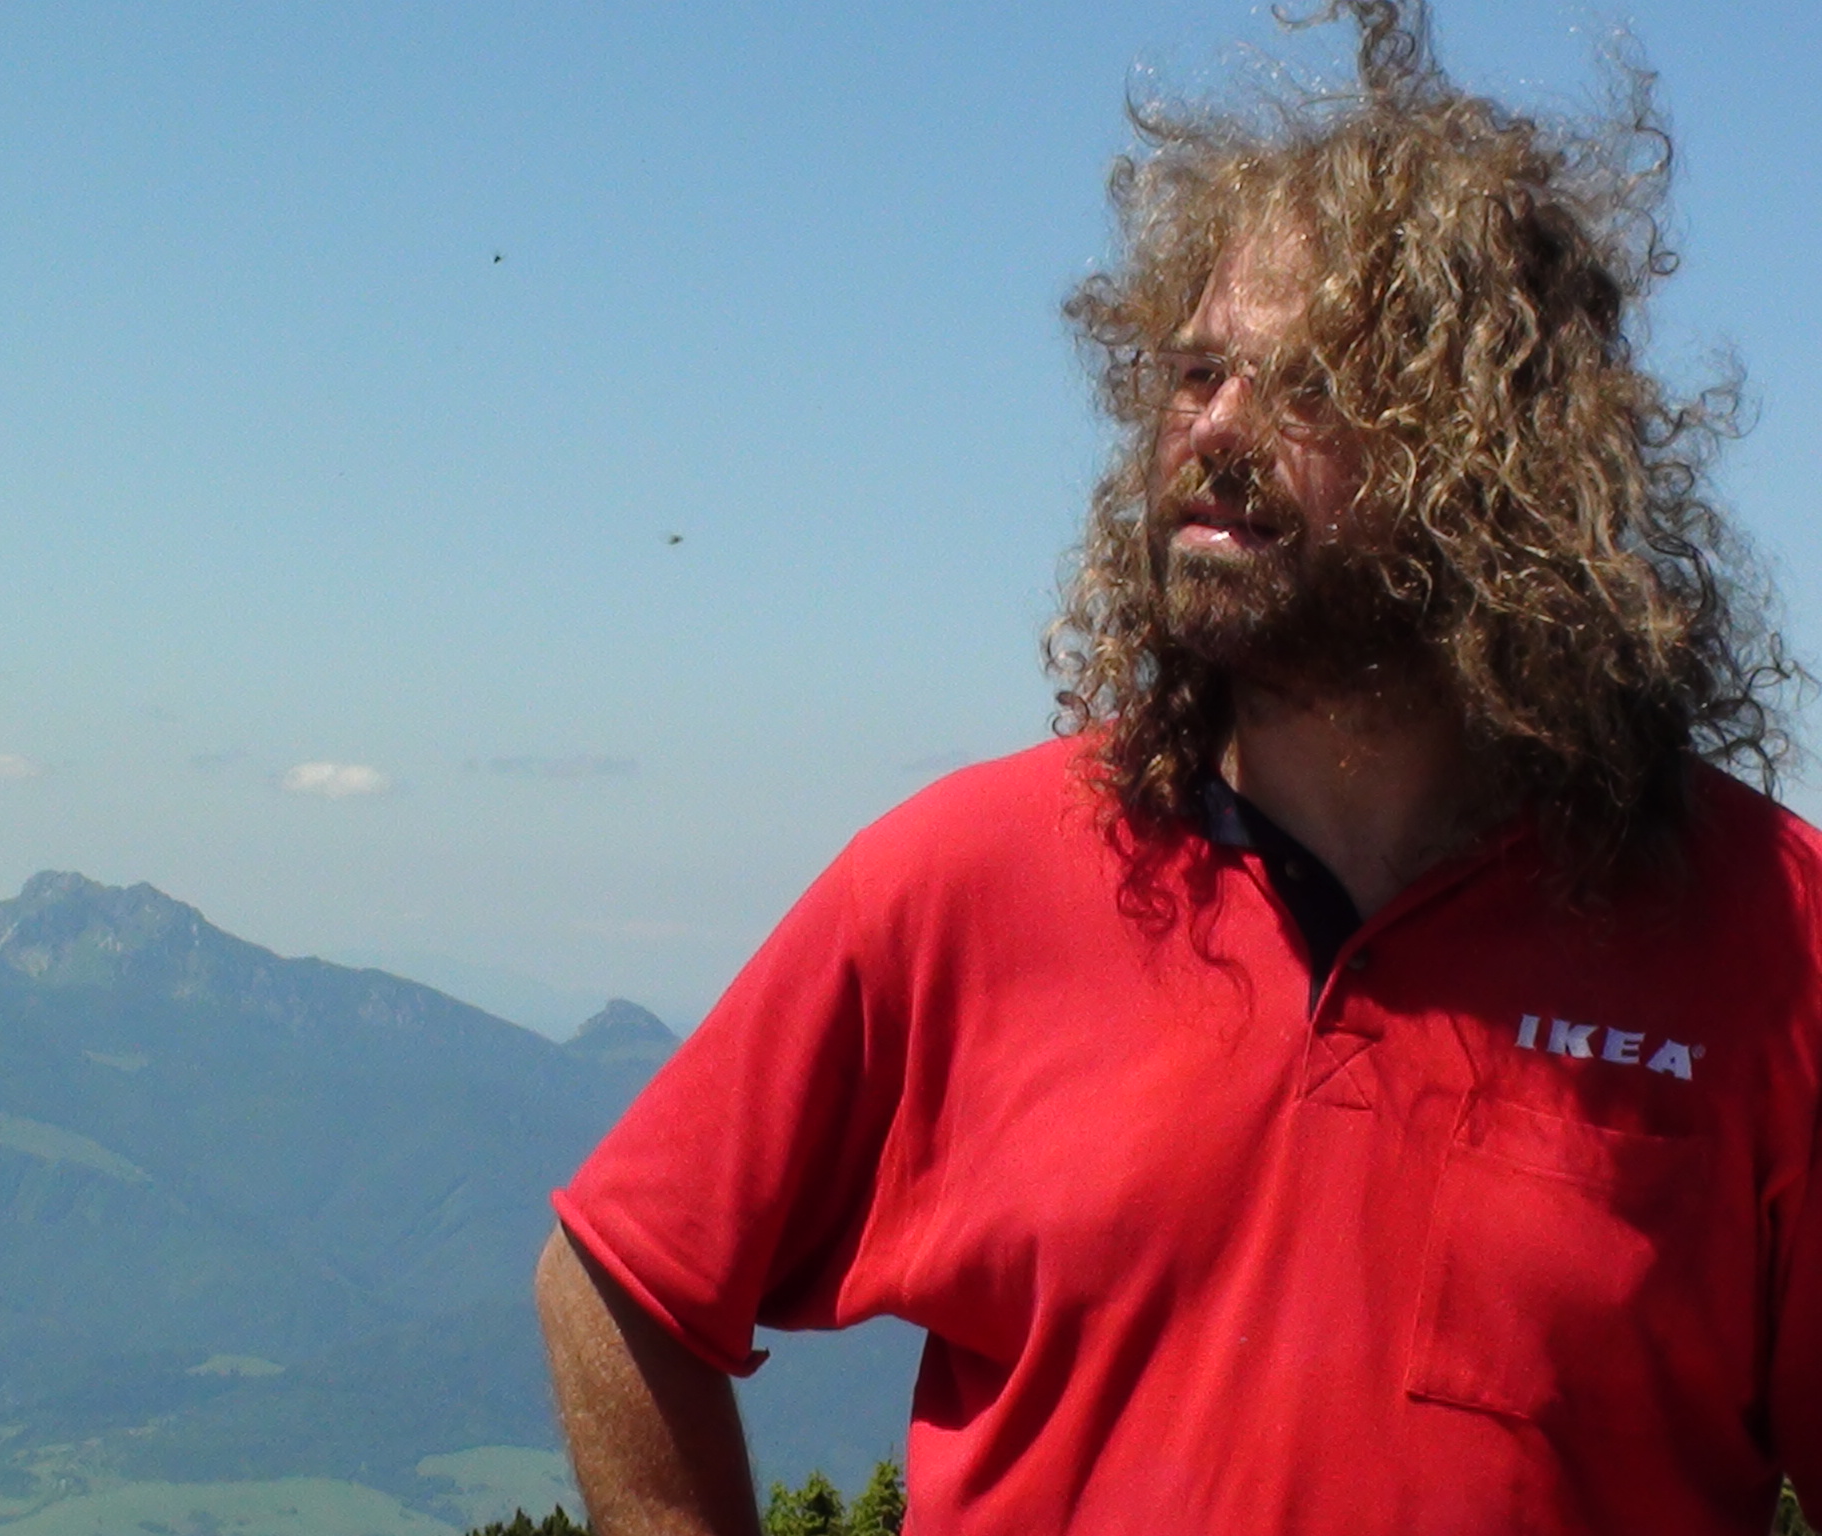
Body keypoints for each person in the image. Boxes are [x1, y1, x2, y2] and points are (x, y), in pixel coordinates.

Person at [535, 3, 1822, 1531]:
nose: (1213, 429)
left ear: (1505, 464)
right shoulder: (967, 880)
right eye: (1198, 371)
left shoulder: (1772, 940)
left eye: (1309, 386)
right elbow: (619, 1277)